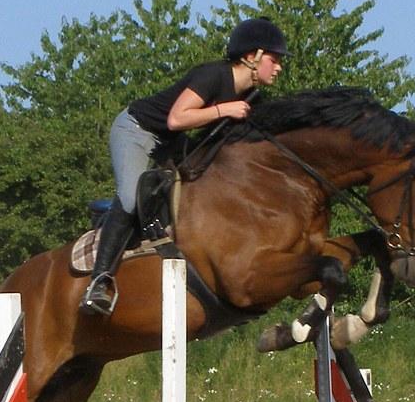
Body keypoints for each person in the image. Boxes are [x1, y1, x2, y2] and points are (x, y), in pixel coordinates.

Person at [80, 17, 291, 316]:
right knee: (130, 197)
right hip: (137, 130)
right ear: (251, 57)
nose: (279, 66)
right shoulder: (213, 75)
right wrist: (224, 109)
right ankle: (99, 281)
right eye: (274, 58)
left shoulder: (250, 95)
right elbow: (176, 119)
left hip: (171, 141)